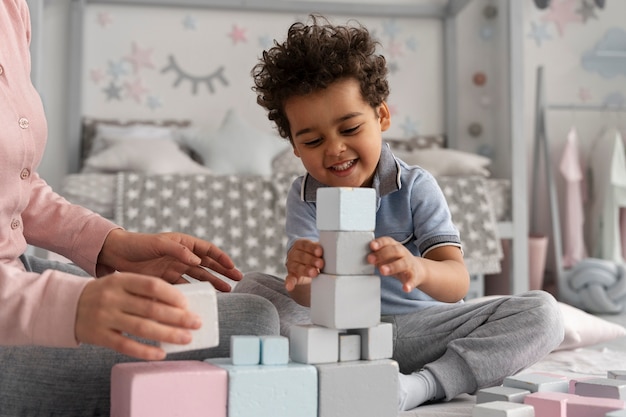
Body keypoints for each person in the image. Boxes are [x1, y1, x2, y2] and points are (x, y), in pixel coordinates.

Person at [233, 15, 565, 411]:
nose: (335, 149)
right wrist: (301, 274)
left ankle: (423, 386)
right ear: (295, 148)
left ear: (382, 117)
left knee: (543, 313)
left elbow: (457, 283)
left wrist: (419, 269)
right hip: (338, 333)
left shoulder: (415, 186)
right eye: (314, 140)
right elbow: (305, 295)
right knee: (252, 288)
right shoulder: (304, 194)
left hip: (420, 331)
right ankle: (315, 372)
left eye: (350, 128)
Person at [0, 1, 279, 414]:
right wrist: (71, 306)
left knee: (259, 305)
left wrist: (111, 243)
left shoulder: (12, 9)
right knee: (252, 326)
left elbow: (14, 184)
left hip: (14, 275)